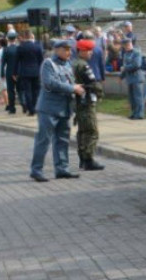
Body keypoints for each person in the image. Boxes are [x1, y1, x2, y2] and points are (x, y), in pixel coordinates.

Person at [29, 39, 84, 182]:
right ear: (57, 50)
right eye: (65, 49)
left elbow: (68, 82)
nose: (69, 52)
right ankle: (36, 170)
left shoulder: (68, 64)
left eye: (70, 49)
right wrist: (72, 88)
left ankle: (62, 169)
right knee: (44, 140)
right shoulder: (48, 64)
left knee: (62, 140)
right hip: (49, 109)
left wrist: (76, 87)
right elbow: (50, 83)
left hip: (64, 108)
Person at [73, 39, 105, 170]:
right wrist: (100, 93)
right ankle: (88, 159)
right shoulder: (84, 66)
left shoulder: (74, 64)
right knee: (92, 131)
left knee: (82, 131)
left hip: (78, 102)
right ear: (82, 51)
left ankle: (82, 157)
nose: (91, 53)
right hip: (87, 101)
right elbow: (93, 83)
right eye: (88, 50)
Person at [16, 30, 44, 116]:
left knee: (27, 91)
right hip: (36, 71)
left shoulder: (20, 47)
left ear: (24, 37)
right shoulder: (37, 47)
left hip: (25, 72)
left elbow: (17, 61)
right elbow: (41, 60)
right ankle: (35, 107)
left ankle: (30, 109)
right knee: (36, 90)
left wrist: (15, 72)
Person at [120, 38, 145, 119]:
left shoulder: (136, 52)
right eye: (125, 45)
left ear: (131, 44)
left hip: (137, 77)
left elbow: (137, 65)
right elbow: (125, 67)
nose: (127, 46)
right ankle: (134, 113)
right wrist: (121, 77)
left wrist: (125, 68)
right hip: (130, 78)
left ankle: (139, 114)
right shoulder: (125, 54)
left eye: (128, 44)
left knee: (138, 97)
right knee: (131, 98)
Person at [1, 31, 20, 114]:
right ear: (15, 39)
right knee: (20, 89)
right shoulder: (19, 48)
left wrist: (2, 73)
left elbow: (3, 63)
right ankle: (24, 105)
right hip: (19, 72)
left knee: (10, 90)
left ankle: (12, 108)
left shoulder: (6, 49)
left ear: (8, 39)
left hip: (9, 72)